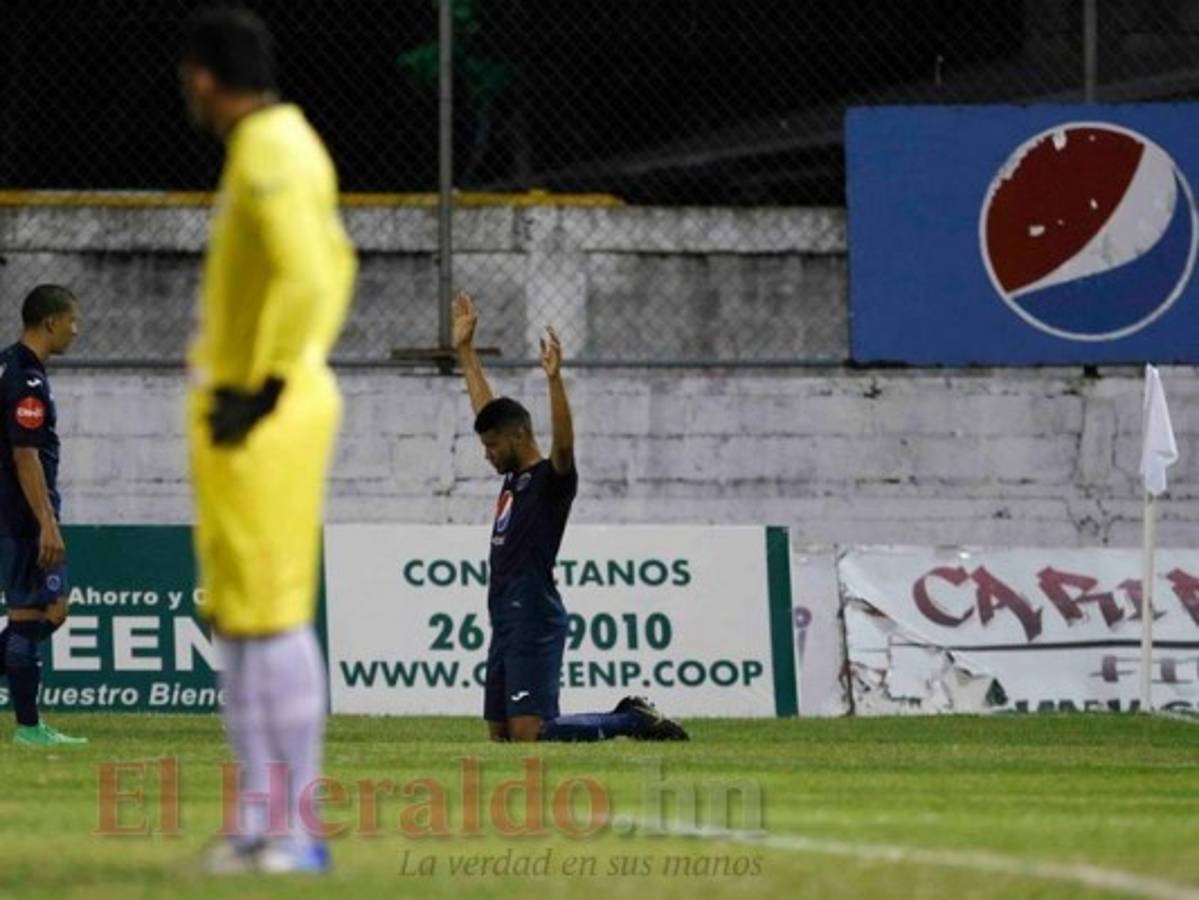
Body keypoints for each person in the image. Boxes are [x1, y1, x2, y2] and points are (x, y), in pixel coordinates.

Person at [180, 8, 356, 874]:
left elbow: (315, 273)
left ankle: (297, 829)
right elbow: (331, 263)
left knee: (273, 612)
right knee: (242, 615)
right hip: (244, 414)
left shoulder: (272, 150)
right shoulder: (274, 145)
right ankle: (261, 819)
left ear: (204, 76)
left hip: (264, 417)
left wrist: (268, 386)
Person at [453, 292, 687, 743]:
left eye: (493, 446)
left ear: (520, 436)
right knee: (500, 735)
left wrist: (554, 381)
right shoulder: (512, 477)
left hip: (533, 612)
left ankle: (633, 720)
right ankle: (627, 719)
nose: (487, 456)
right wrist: (466, 352)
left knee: (530, 732)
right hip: (503, 610)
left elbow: (563, 446)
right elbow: (488, 413)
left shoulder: (551, 480)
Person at [0, 284, 86, 747]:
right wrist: (46, 522)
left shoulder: (8, 363)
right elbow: (25, 455)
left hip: (15, 511)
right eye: (72, 320)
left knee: (44, 611)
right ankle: (30, 729)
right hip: (25, 513)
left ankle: (29, 724)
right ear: (50, 322)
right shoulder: (25, 379)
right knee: (34, 612)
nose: (77, 329)